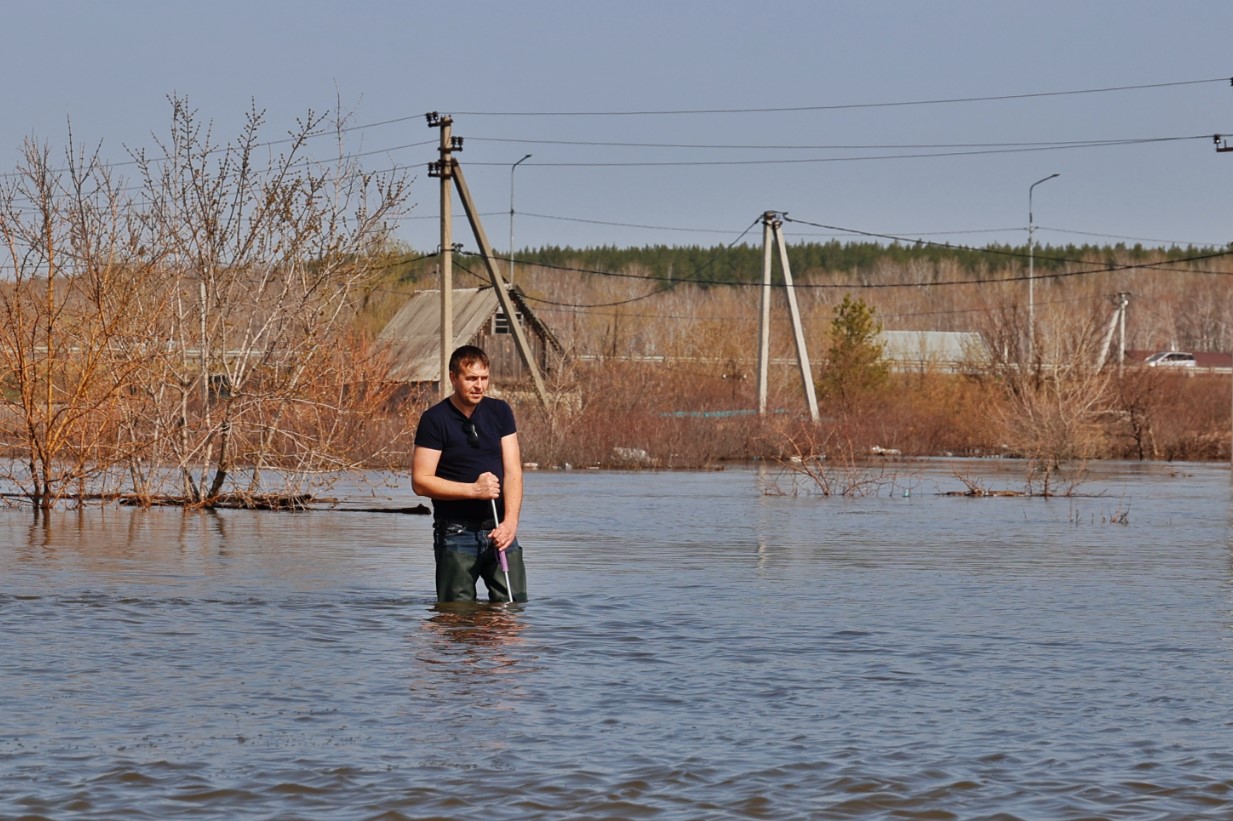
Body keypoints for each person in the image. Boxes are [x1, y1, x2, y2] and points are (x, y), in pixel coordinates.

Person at [412, 345, 527, 603]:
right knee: (456, 621)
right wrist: (473, 490)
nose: (479, 386)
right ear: (454, 378)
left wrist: (510, 523)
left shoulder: (500, 412)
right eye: (471, 378)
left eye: (484, 378)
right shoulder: (434, 420)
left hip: (500, 531)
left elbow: (513, 472)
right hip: (455, 533)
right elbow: (420, 482)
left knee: (513, 611)